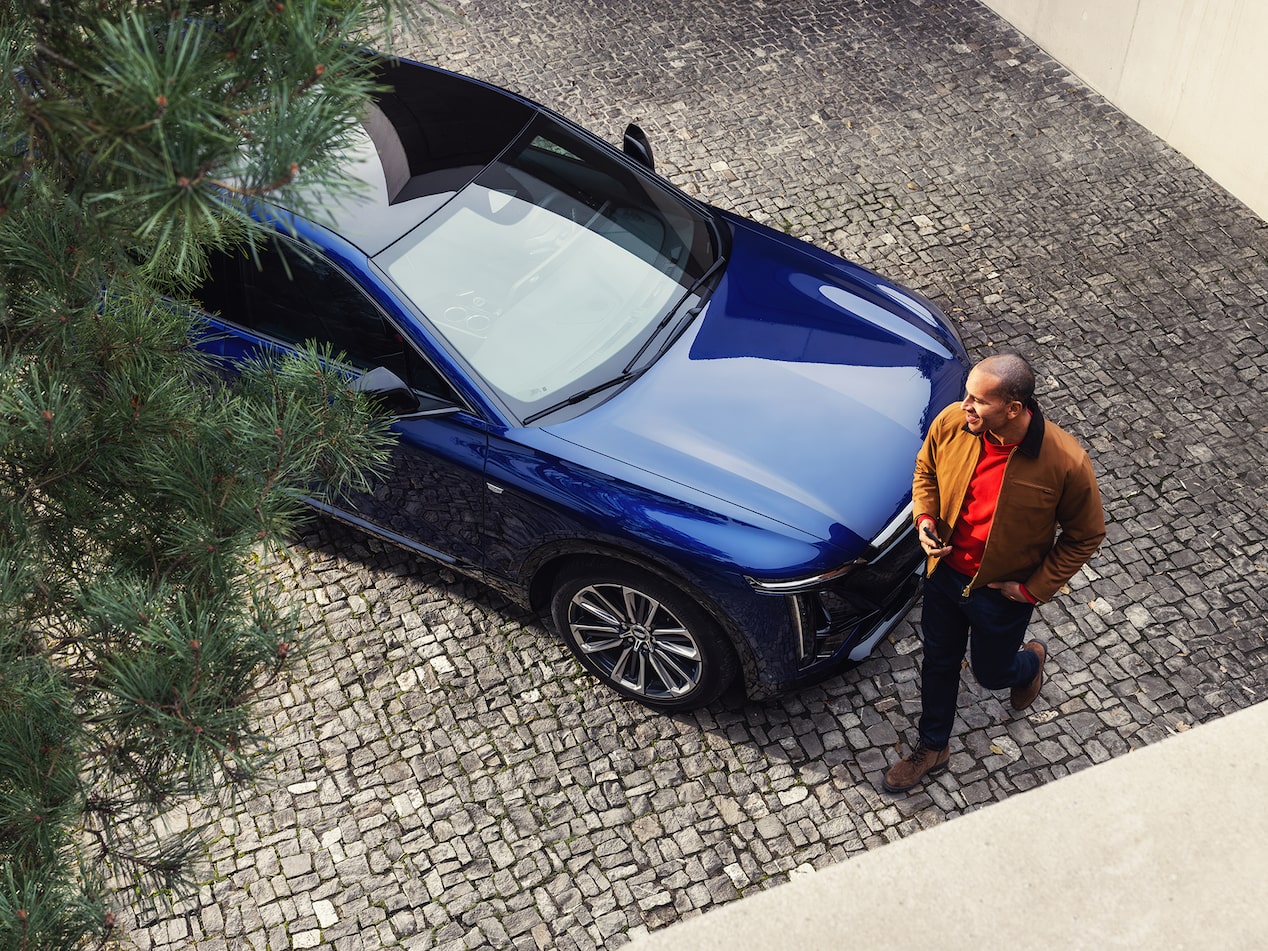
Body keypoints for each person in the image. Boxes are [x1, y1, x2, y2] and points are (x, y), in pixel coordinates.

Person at [882, 353, 1106, 794]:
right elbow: (925, 469)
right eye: (966, 395)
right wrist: (925, 518)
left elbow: (1086, 535)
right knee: (938, 662)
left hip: (1002, 594)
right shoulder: (952, 423)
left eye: (977, 401)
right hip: (944, 576)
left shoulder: (1066, 463)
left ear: (1014, 409)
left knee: (991, 673)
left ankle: (1029, 665)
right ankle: (932, 746)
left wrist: (1032, 590)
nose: (964, 405)